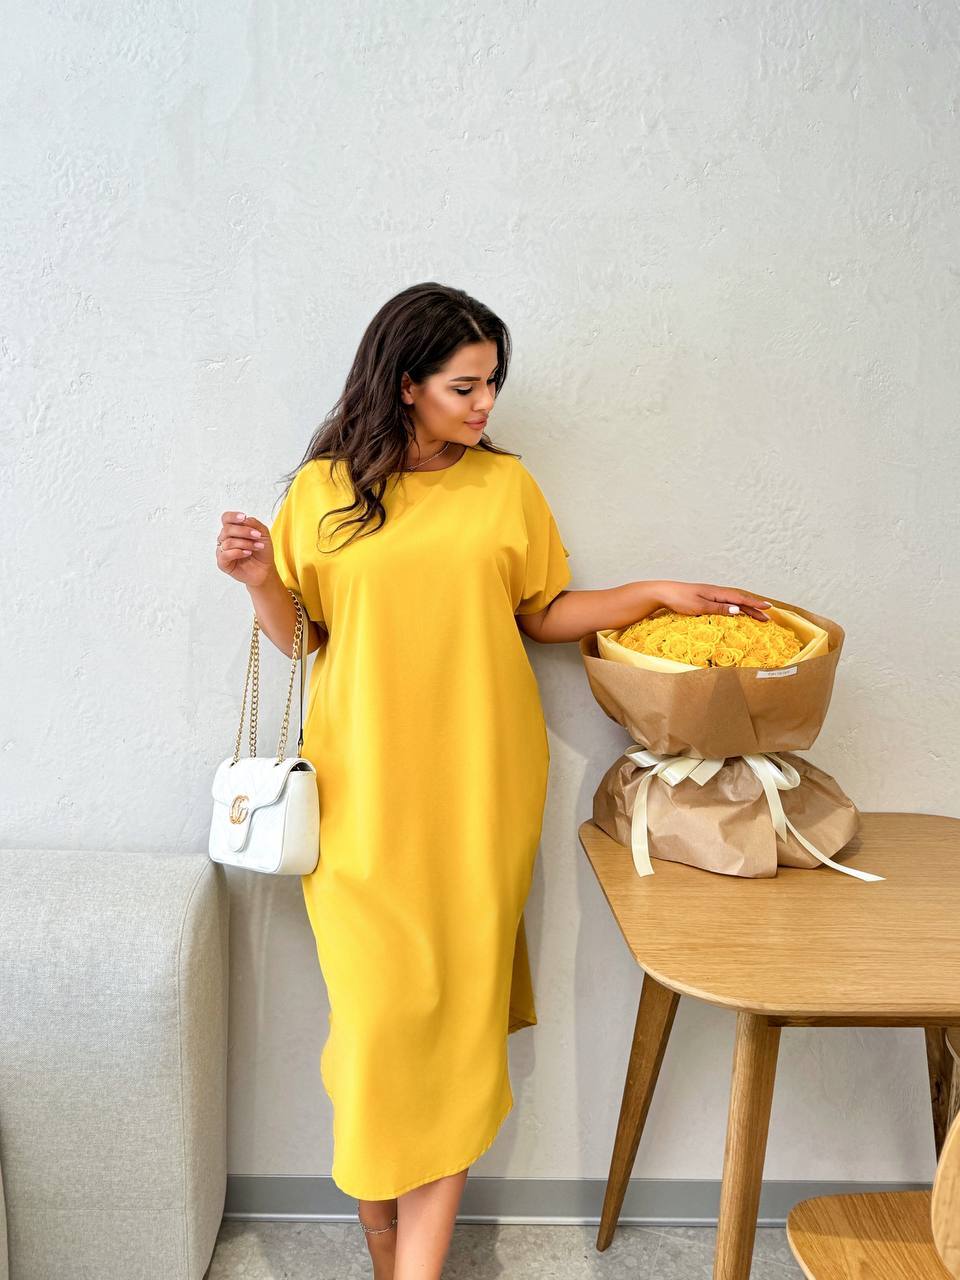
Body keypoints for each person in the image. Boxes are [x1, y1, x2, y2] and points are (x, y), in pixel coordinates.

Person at [214, 281, 771, 1280]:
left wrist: (651, 593)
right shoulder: (322, 493)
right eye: (464, 386)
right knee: (377, 1032)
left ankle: (411, 1267)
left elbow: (542, 611)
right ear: (405, 384)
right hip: (360, 798)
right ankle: (385, 1243)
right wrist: (259, 580)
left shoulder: (505, 487)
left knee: (460, 1034)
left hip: (482, 788)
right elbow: (303, 638)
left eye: (493, 384)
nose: (485, 405)